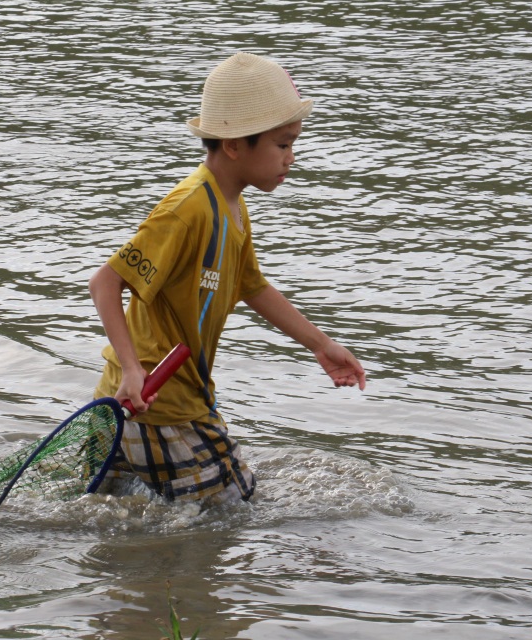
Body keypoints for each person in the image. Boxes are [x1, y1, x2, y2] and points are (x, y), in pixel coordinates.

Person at [88, 52, 366, 505]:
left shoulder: (231, 206)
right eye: (282, 145)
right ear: (235, 145)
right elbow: (105, 282)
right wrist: (134, 369)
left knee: (121, 512)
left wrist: (321, 346)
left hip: (159, 403)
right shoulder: (189, 208)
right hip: (155, 403)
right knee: (235, 506)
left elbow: (252, 286)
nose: (291, 158)